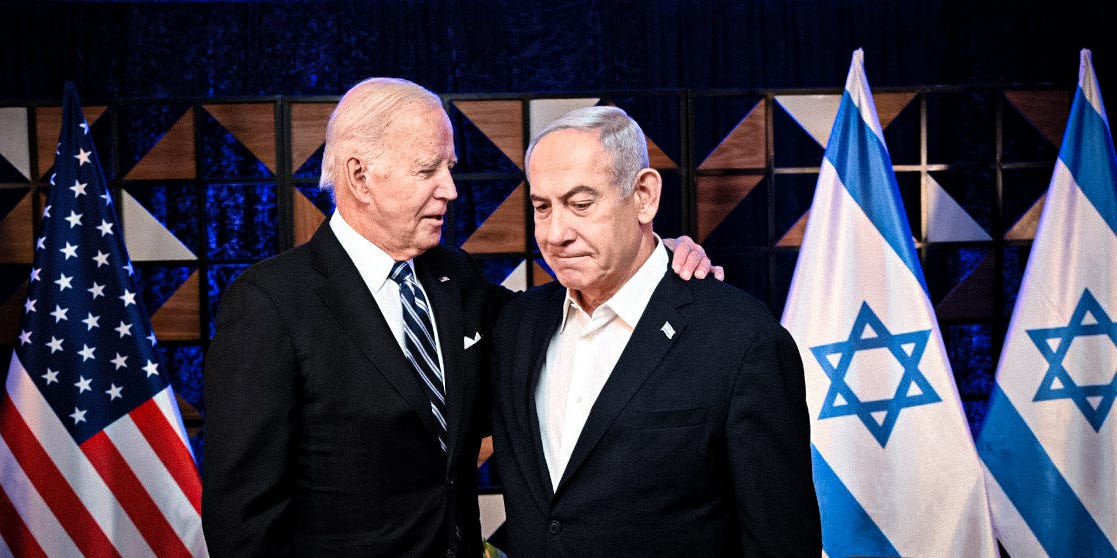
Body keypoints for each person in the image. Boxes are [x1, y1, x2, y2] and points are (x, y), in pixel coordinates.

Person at [202, 78, 717, 557]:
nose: (450, 189)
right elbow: (242, 519)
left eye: (448, 168)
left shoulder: (454, 277)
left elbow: (557, 325)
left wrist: (649, 256)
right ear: (359, 176)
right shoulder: (269, 303)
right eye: (428, 170)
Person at [490, 106, 822, 556]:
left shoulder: (742, 339)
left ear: (644, 195)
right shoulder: (517, 325)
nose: (555, 233)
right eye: (542, 208)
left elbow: (781, 542)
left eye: (580, 204)